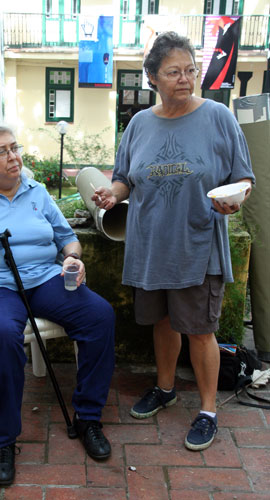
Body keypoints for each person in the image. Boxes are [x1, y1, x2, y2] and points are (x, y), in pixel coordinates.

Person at [92, 31, 254, 452]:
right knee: (162, 323)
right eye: (173, 72)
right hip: (149, 246)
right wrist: (113, 194)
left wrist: (235, 198)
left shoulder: (219, 117)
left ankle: (207, 411)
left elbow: (243, 176)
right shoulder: (140, 124)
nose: (184, 79)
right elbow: (125, 176)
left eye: (190, 70)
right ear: (152, 79)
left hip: (197, 242)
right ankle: (165, 389)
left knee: (200, 329)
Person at [0, 123, 115, 486]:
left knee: (99, 316)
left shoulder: (37, 192)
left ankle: (88, 417)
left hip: (44, 278)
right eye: (2, 152)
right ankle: (2, 441)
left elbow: (67, 238)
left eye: (15, 148)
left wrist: (73, 259)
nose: (14, 157)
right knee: (4, 337)